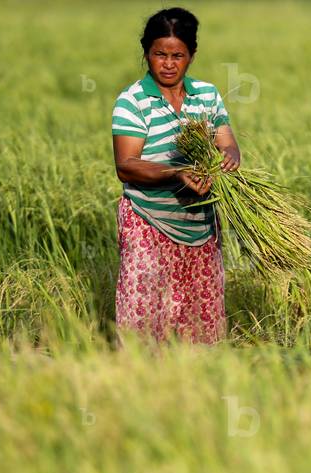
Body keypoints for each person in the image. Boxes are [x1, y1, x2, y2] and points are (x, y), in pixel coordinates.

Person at [111, 7, 241, 346]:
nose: (168, 63)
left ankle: (194, 392)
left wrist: (227, 159)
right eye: (159, 54)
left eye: (177, 55)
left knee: (199, 328)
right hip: (148, 224)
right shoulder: (132, 101)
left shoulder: (207, 96)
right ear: (147, 53)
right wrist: (176, 173)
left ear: (192, 55)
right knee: (145, 327)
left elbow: (228, 145)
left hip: (200, 227)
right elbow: (126, 164)